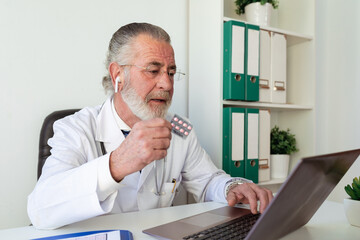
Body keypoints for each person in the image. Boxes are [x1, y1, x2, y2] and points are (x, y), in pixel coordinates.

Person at [27, 22, 273, 229]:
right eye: (153, 70)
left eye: (171, 72)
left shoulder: (179, 128)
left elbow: (207, 181)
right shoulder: (75, 128)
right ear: (117, 76)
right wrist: (116, 164)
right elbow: (40, 210)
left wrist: (233, 187)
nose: (166, 84)